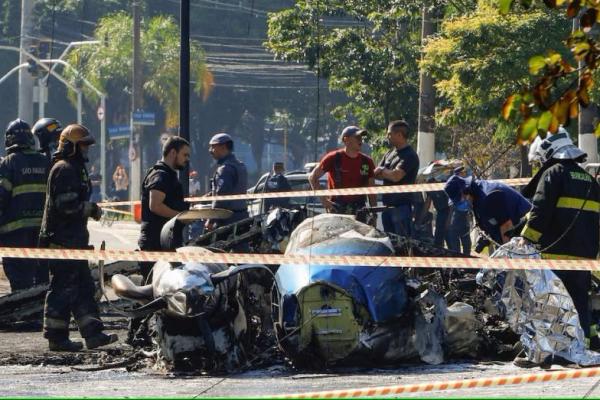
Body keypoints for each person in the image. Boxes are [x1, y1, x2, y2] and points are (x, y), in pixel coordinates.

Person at [40, 124, 117, 351]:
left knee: (84, 286)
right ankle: (56, 337)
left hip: (74, 240)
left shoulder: (75, 168)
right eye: (83, 145)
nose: (86, 149)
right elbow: (66, 205)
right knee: (62, 288)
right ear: (71, 146)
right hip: (60, 242)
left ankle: (93, 334)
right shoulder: (64, 169)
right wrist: (90, 208)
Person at [520, 128, 599, 339]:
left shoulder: (553, 174)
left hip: (555, 255)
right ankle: (583, 345)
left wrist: (526, 240)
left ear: (548, 151)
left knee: (552, 303)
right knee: (579, 301)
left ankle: (551, 349)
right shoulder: (590, 180)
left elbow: (540, 211)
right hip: (584, 258)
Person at [0, 119, 50, 291]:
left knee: (20, 286)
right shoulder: (45, 162)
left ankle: (21, 315)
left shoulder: (8, 163)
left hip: (13, 237)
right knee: (41, 282)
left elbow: (1, 198)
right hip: (42, 236)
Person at [138, 136, 190, 278]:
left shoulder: (168, 175)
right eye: (184, 155)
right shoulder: (160, 175)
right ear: (173, 153)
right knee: (152, 292)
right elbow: (155, 206)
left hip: (165, 240)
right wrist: (181, 216)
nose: (187, 159)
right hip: (155, 241)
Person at [444, 174, 531, 248]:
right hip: (510, 236)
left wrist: (508, 257)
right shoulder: (476, 197)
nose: (459, 204)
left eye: (459, 200)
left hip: (525, 233)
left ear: (465, 191)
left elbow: (506, 227)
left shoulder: (488, 197)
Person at [309, 126, 376, 216]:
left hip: (360, 209)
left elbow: (371, 189)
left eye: (361, 137)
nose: (360, 140)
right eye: (357, 137)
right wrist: (324, 201)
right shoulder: (333, 158)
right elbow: (312, 177)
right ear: (346, 140)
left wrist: (374, 214)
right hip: (337, 209)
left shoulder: (367, 161)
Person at [374, 120, 420, 236]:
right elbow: (376, 173)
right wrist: (385, 172)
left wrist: (383, 171)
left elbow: (396, 176)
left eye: (389, 134)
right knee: (389, 243)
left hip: (401, 208)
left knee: (402, 245)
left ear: (399, 135)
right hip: (386, 207)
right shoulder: (389, 153)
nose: (387, 136)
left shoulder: (410, 155)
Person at [206, 133, 248, 230]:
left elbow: (222, 198)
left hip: (228, 220)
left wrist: (211, 220)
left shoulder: (225, 169)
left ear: (223, 147)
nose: (210, 150)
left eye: (213, 147)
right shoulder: (240, 165)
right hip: (242, 216)